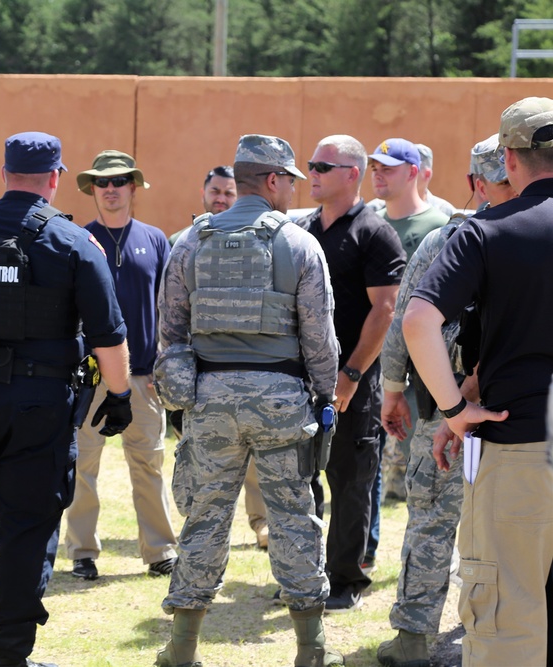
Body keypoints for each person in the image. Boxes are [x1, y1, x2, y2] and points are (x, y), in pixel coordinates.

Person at [0, 131, 131, 667]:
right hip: (40, 405)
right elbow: (108, 335)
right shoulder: (76, 243)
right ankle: (9, 655)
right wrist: (121, 394)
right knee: (28, 525)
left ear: (4, 173)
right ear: (56, 178)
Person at [154, 134, 342, 666]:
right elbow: (320, 338)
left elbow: (171, 330)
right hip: (282, 399)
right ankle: (311, 651)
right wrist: (325, 395)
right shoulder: (299, 244)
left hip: (209, 399)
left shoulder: (189, 241)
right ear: (276, 180)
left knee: (205, 519)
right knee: (293, 518)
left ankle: (182, 650)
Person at [404, 96, 553, 667]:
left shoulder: (485, 232)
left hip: (520, 450)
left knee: (508, 622)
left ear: (510, 161)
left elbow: (419, 321)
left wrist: (452, 409)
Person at [376, 136, 516, 667]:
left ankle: (412, 639)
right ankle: (496, 634)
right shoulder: (536, 235)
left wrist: (393, 390)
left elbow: (405, 325)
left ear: (474, 184)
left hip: (445, 405)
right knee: (512, 527)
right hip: (518, 409)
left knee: (431, 520)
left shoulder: (447, 241)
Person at [297, 135, 406, 612]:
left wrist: (352, 373)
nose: (313, 172)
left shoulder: (374, 232)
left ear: (351, 174)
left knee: (350, 478)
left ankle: (345, 579)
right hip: (300, 380)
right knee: (300, 479)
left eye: (323, 165)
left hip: (351, 384)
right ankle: (306, 573)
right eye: (310, 164)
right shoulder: (303, 229)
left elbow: (385, 310)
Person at [63, 149, 178, 581]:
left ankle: (160, 550)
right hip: (90, 376)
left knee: (148, 466)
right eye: (102, 183)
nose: (110, 189)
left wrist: (164, 368)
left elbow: (170, 309)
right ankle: (82, 552)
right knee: (83, 466)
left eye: (119, 181)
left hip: (143, 377)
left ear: (134, 187)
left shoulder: (156, 239)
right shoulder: (77, 239)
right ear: (93, 189)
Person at [169, 165, 268, 550]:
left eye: (229, 192)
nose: (222, 198)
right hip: (199, 368)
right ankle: (203, 529)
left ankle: (261, 523)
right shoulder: (184, 241)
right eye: (216, 191)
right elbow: (172, 313)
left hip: (246, 366)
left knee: (257, 459)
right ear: (203, 192)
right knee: (201, 458)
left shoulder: (256, 241)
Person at [365, 138, 449, 571]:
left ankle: (424, 560)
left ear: (414, 171)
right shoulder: (365, 222)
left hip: (417, 374)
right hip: (363, 364)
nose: (378, 174)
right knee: (361, 465)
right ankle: (361, 552)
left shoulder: (443, 224)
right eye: (374, 167)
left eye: (389, 168)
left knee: (420, 472)